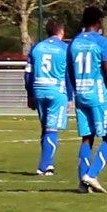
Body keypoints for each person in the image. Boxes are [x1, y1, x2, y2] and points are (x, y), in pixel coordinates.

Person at [68, 6, 107, 193]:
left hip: (81, 94)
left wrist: (76, 90)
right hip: (98, 95)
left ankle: (83, 183)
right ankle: (91, 174)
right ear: (99, 22)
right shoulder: (103, 42)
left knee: (87, 137)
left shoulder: (74, 43)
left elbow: (69, 70)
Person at [24, 20, 70, 177]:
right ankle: (43, 166)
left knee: (45, 128)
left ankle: (48, 164)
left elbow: (28, 73)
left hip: (39, 90)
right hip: (57, 91)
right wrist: (70, 96)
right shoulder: (65, 48)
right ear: (61, 31)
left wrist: (29, 94)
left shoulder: (36, 47)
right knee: (52, 129)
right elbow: (69, 75)